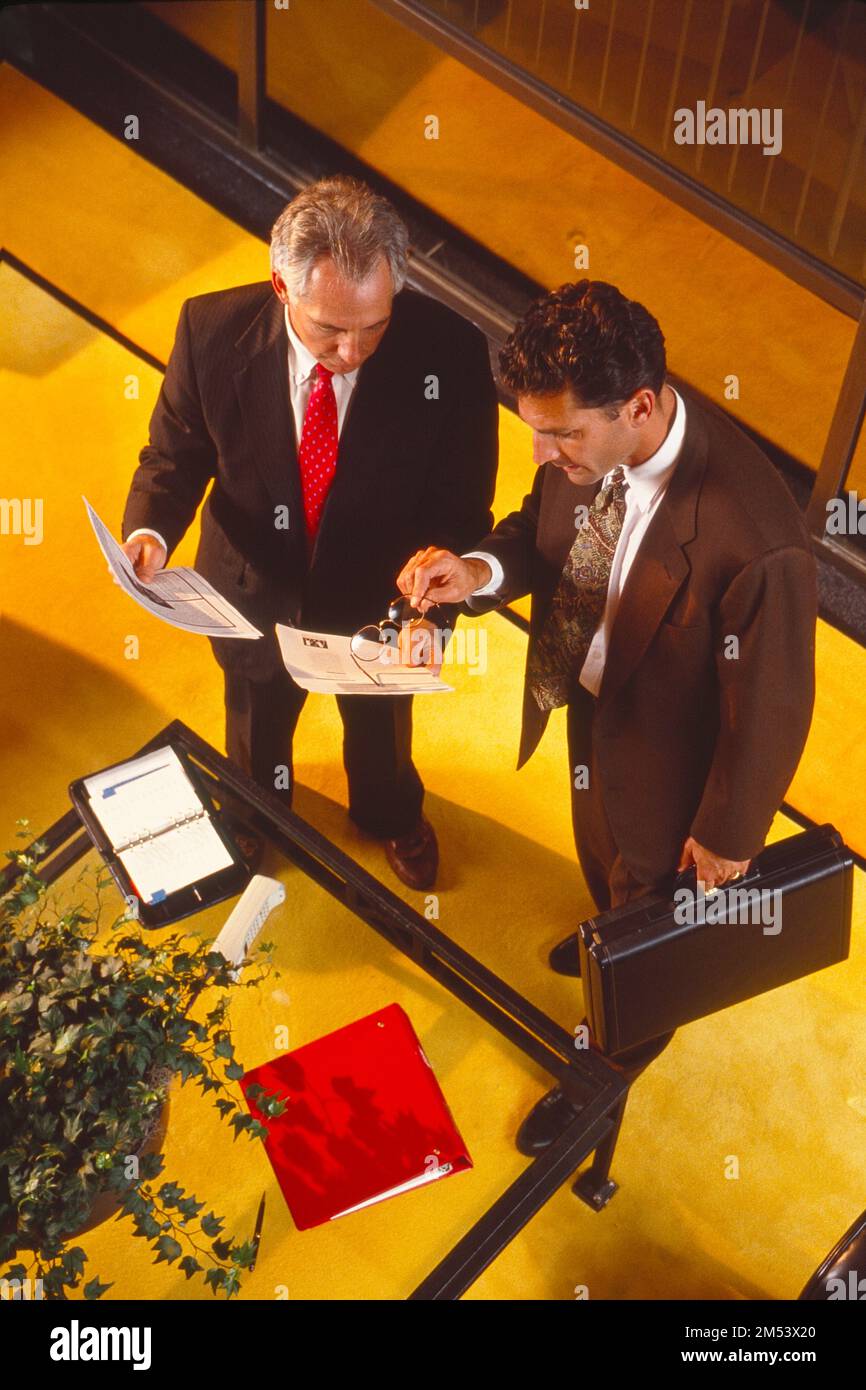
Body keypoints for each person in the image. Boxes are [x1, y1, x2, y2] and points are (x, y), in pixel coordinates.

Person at [396, 279, 817, 1151]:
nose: (545, 454)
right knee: (601, 858)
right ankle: (606, 939)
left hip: (678, 773)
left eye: (561, 434)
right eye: (535, 431)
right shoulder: (586, 445)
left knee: (652, 934)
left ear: (639, 405)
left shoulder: (756, 536)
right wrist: (478, 572)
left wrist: (731, 834)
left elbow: (772, 702)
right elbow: (536, 530)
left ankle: (608, 1066)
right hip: (595, 714)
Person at [120, 175, 498, 889]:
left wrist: (433, 612)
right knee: (256, 723)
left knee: (381, 732)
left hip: (386, 597)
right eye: (330, 328)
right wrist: (150, 532)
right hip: (251, 588)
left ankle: (390, 815)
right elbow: (176, 455)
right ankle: (255, 817)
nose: (352, 350)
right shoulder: (209, 332)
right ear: (280, 285)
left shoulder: (449, 353)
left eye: (374, 326)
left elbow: (460, 509)